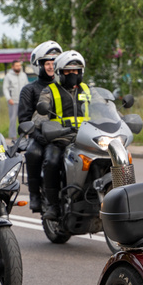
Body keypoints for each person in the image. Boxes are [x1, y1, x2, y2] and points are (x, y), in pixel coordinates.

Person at [35, 49, 91, 221]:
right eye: (68, 71)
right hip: (60, 139)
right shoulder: (49, 91)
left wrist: (118, 121)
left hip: (86, 138)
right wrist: (48, 125)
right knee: (51, 161)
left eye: (76, 71)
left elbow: (102, 108)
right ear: (60, 72)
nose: (73, 74)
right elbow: (39, 116)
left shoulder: (88, 89)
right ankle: (52, 205)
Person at [18, 40, 62, 212]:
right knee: (33, 153)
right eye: (47, 63)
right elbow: (24, 119)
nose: (51, 67)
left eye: (54, 63)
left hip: (63, 135)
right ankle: (34, 194)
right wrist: (37, 136)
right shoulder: (30, 90)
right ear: (39, 65)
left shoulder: (63, 87)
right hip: (40, 136)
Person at [2, 59, 27, 139]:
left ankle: (24, 134)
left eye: (19, 65)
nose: (18, 67)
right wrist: (9, 98)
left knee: (24, 118)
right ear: (12, 66)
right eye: (16, 65)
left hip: (23, 101)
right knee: (13, 119)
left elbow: (27, 87)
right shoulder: (8, 76)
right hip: (13, 101)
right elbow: (5, 88)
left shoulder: (23, 75)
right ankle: (13, 136)